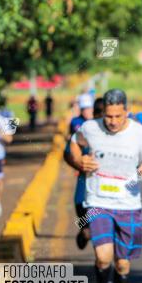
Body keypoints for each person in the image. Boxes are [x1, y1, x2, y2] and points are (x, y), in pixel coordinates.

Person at [66, 89, 142, 283]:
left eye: (118, 116)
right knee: (102, 256)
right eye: (109, 116)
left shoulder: (138, 132)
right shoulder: (90, 128)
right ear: (103, 113)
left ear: (126, 111)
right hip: (98, 202)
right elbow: (72, 145)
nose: (113, 122)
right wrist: (78, 160)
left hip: (128, 205)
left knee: (123, 262)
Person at [65, 94, 96, 249]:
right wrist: (78, 164)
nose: (87, 111)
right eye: (84, 109)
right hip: (84, 171)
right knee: (80, 202)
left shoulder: (103, 124)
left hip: (104, 177)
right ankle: (85, 228)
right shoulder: (76, 123)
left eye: (89, 108)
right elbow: (69, 147)